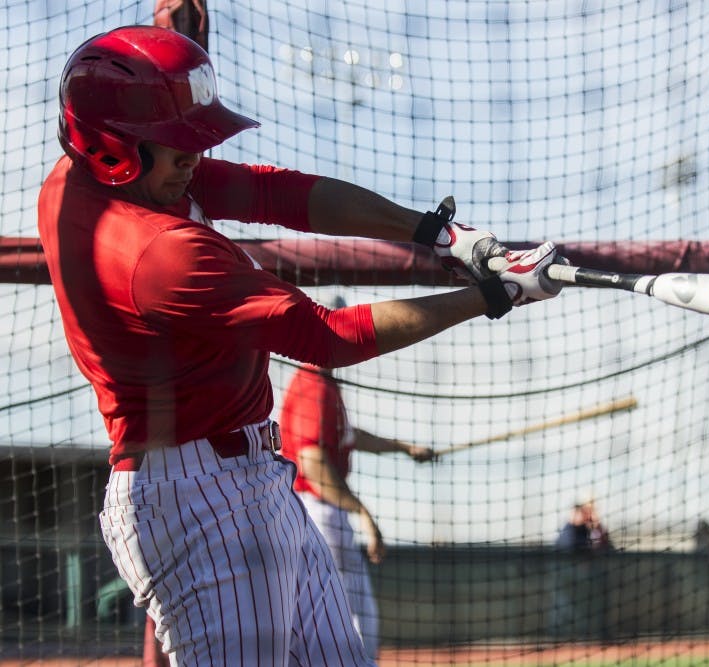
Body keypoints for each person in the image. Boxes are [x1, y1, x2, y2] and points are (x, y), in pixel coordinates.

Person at [38, 25, 561, 666]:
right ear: (113, 148)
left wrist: (435, 232)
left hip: (251, 478)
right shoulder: (160, 255)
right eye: (176, 146)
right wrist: (491, 297)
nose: (194, 158)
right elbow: (327, 336)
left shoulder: (83, 179)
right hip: (199, 502)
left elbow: (270, 192)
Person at [279, 306, 438, 661]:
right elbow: (313, 462)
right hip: (316, 509)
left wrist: (404, 448)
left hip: (310, 510)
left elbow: (349, 436)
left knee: (332, 615)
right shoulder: (315, 384)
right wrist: (364, 514)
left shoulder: (324, 383)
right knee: (351, 617)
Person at [551, 500, 613, 640]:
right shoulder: (569, 529)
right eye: (580, 513)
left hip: (584, 582)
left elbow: (606, 545)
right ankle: (561, 634)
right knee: (564, 608)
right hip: (565, 578)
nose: (583, 516)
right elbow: (569, 547)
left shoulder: (587, 530)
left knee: (587, 607)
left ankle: (589, 633)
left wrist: (596, 524)